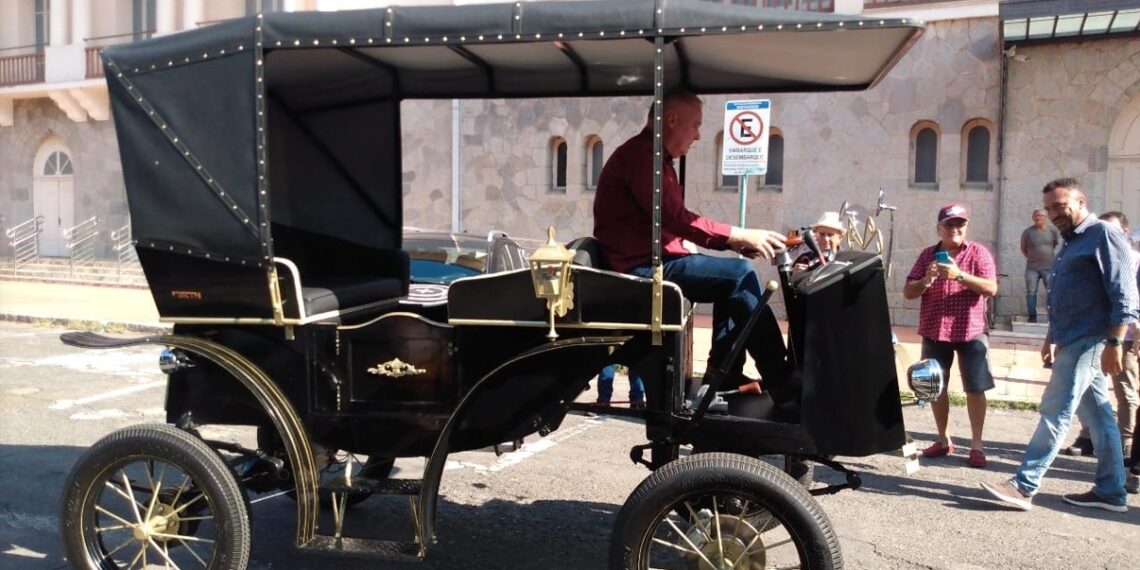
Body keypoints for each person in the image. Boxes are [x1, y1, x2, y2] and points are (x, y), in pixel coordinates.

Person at [592, 91, 789, 382]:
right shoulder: (641, 158)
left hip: (649, 262)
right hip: (640, 270)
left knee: (730, 276)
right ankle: (781, 377)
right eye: (695, 125)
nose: (697, 135)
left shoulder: (653, 159)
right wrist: (737, 234)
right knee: (740, 274)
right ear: (672, 120)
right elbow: (675, 217)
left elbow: (670, 220)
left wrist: (733, 242)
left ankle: (723, 371)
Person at [981, 178, 1138, 513]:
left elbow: (1124, 292)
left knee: (1056, 409)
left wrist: (1115, 340)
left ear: (1081, 201)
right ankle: (1112, 491)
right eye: (1049, 208)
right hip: (1071, 337)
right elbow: (1066, 295)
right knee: (1099, 417)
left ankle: (1024, 485)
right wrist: (1051, 336)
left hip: (1090, 338)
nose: (1054, 214)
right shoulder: (1071, 241)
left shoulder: (1104, 234)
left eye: (1060, 206)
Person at [903, 204, 998, 468]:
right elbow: (908, 292)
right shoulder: (927, 255)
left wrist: (960, 276)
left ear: (965, 227)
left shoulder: (978, 252)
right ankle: (943, 440)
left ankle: (977, 445)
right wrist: (926, 281)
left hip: (971, 330)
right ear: (939, 228)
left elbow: (991, 288)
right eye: (949, 225)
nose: (955, 229)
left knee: (976, 388)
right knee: (935, 387)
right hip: (935, 330)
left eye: (960, 224)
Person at [1062, 212, 1139, 459]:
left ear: (1124, 233)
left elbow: (1130, 298)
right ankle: (1088, 436)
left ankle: (1126, 442)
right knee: (1088, 390)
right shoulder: (1095, 257)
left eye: (1112, 230)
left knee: (1125, 390)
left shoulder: (1135, 260)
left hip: (1125, 337)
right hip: (1093, 335)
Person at [1020, 208, 1061, 324]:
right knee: (1031, 292)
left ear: (1046, 218)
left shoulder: (1052, 231)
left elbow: (1054, 245)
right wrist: (1033, 257)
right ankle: (1032, 316)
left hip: (1049, 267)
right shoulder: (1027, 232)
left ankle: (1053, 315)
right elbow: (1023, 248)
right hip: (1032, 268)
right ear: (1033, 218)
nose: (1038, 218)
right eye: (1036, 216)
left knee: (1051, 291)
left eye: (1041, 216)